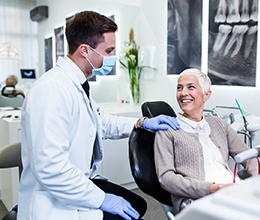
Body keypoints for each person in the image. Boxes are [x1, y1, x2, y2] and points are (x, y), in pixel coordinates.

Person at [17, 11, 179, 220]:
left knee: (137, 204)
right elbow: (51, 168)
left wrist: (142, 122)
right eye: (109, 50)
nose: (112, 57)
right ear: (85, 50)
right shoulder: (52, 90)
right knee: (130, 215)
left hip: (76, 183)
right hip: (53, 199)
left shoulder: (76, 84)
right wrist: (103, 200)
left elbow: (100, 121)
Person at [154, 68, 260, 214]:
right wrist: (211, 188)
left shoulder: (219, 124)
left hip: (232, 190)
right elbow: (166, 178)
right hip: (196, 199)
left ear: (206, 95)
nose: (183, 93)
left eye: (191, 87)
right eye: (179, 88)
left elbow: (249, 156)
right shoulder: (167, 130)